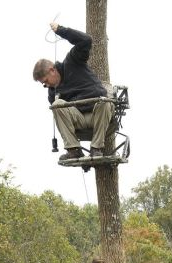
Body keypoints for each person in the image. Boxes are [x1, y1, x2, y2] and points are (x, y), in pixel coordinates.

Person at [33, 23, 115, 160]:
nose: (46, 85)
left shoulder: (72, 61)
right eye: (43, 84)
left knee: (104, 102)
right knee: (57, 104)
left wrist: (61, 30)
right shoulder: (53, 92)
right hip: (80, 120)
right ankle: (74, 150)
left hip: (98, 113)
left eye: (46, 81)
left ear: (52, 70)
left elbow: (86, 40)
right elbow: (61, 116)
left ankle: (96, 148)